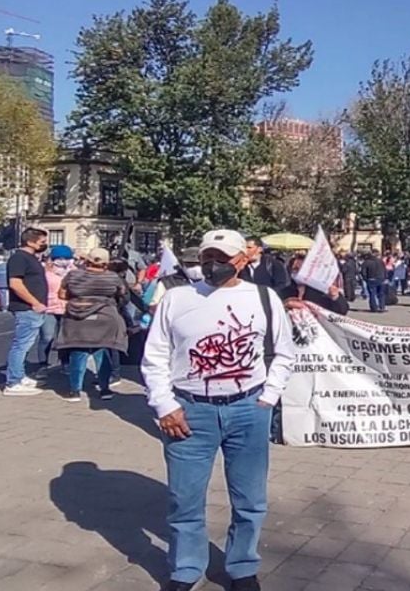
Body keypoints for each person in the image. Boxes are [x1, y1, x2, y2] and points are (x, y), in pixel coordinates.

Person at [142, 229, 297, 591]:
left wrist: (268, 399)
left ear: (243, 260)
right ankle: (186, 569)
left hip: (248, 409)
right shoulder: (177, 298)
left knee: (249, 499)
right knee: (184, 499)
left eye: (222, 258)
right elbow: (155, 357)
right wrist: (165, 404)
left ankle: (242, 566)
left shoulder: (264, 298)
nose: (212, 265)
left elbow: (283, 352)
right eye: (207, 257)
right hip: (189, 412)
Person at [56, 248, 129, 403]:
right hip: (105, 317)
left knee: (77, 351)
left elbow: (62, 294)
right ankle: (104, 390)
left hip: (76, 317)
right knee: (102, 351)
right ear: (105, 263)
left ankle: (75, 391)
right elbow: (122, 294)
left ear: (87, 260)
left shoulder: (73, 275)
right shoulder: (113, 277)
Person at [3, 228, 49, 397]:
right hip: (26, 308)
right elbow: (15, 283)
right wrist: (34, 302)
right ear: (30, 242)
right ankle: (13, 382)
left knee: (26, 344)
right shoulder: (19, 258)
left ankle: (19, 376)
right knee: (21, 345)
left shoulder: (31, 258)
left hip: (33, 308)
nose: (45, 245)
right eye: (42, 242)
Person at [34, 244, 74, 379]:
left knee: (65, 338)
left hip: (67, 308)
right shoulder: (44, 272)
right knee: (47, 337)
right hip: (49, 309)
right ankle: (42, 365)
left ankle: (65, 363)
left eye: (66, 258)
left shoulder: (73, 271)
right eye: (59, 258)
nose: (63, 261)